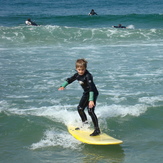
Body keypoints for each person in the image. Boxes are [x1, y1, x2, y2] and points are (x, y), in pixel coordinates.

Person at [58, 59, 100, 136]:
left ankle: (97, 130)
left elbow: (91, 88)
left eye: (82, 69)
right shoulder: (77, 75)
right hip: (86, 93)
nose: (81, 71)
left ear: (85, 68)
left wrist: (91, 100)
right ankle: (85, 125)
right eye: (79, 70)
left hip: (92, 93)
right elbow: (70, 80)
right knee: (80, 108)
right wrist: (63, 85)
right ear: (76, 68)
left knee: (90, 111)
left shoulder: (88, 76)